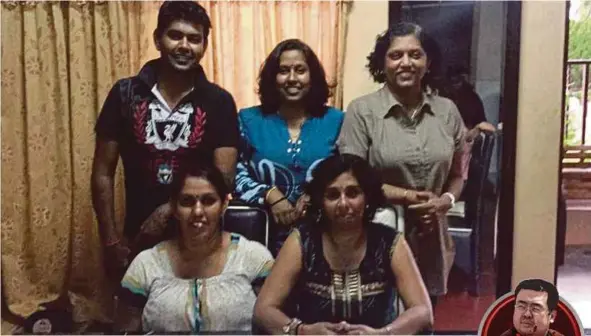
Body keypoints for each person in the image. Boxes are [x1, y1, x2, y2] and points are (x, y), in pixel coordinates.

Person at [91, 1, 239, 280]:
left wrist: (169, 209)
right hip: (136, 237)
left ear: (205, 46)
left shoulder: (219, 101)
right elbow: (102, 171)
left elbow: (223, 179)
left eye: (194, 39)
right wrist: (110, 241)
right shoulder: (125, 94)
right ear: (158, 39)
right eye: (175, 36)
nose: (184, 46)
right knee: (137, 315)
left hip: (201, 237)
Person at [337, 22, 467, 305]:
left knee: (425, 315)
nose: (406, 62)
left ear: (428, 61)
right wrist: (409, 197)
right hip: (378, 231)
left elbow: (458, 175)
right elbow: (352, 179)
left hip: (433, 234)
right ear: (382, 63)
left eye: (415, 54)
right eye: (396, 55)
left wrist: (444, 200)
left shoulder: (448, 111)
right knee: (380, 318)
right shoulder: (362, 112)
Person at [254, 154, 433, 335]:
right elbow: (263, 310)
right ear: (320, 201)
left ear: (368, 197)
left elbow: (423, 312)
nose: (343, 203)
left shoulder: (390, 242)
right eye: (332, 195)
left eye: (352, 193)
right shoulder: (301, 240)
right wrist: (302, 331)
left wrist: (382, 334)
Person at [114, 163, 274, 333]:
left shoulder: (254, 258)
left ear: (224, 204)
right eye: (187, 202)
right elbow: (124, 330)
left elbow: (275, 325)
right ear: (174, 208)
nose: (197, 211)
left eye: (208, 201)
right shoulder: (146, 265)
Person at [234, 39, 344, 256]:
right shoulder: (248, 120)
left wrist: (318, 193)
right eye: (283, 71)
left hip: (324, 238)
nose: (292, 78)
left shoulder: (337, 121)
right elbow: (233, 174)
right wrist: (270, 194)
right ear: (272, 78)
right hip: (259, 240)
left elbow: (347, 173)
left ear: (313, 77)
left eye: (300, 70)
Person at [444, 64, 496, 141]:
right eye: (453, 81)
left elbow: (482, 123)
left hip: (466, 140)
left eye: (458, 80)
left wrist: (477, 129)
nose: (455, 85)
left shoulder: (472, 98)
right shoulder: (443, 97)